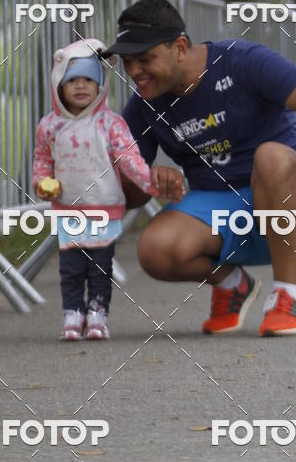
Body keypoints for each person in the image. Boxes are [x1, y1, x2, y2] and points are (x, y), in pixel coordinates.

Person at [102, 0, 296, 337]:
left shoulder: (241, 61)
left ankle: (287, 296)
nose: (134, 72)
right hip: (221, 215)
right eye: (127, 63)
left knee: (271, 157)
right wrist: (148, 179)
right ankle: (234, 286)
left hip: (293, 206)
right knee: (153, 249)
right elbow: (126, 197)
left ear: (180, 48)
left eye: (145, 59)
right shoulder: (144, 106)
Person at [31, 37, 184, 340]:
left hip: (105, 207)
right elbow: (42, 162)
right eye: (73, 80)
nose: (81, 86)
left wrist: (151, 184)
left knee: (99, 268)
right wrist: (41, 184)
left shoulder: (111, 123)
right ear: (58, 84)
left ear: (101, 84)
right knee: (71, 268)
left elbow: (131, 159)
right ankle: (72, 315)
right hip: (67, 209)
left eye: (90, 79)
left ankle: (98, 313)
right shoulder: (49, 126)